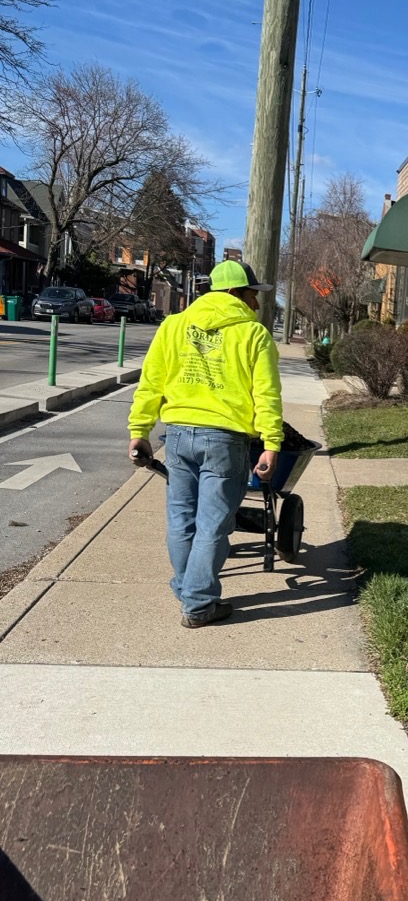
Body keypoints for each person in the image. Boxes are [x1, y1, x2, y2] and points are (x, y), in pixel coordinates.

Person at [128, 259, 283, 628]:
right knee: (213, 524)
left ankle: (188, 590)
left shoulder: (174, 326)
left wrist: (140, 430)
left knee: (181, 519)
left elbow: (151, 382)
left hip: (179, 434)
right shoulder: (253, 334)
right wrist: (271, 442)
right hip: (225, 439)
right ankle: (198, 604)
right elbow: (266, 393)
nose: (256, 303)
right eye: (252, 294)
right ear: (234, 292)